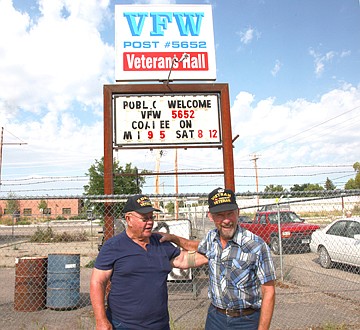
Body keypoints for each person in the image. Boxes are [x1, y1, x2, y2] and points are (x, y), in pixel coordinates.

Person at [159, 187, 277, 330]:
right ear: (211, 216)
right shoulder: (211, 239)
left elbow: (268, 291)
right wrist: (172, 238)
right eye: (220, 215)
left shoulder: (256, 246)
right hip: (216, 318)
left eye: (230, 213)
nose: (226, 220)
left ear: (238, 212)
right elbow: (192, 247)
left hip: (246, 321)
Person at [90, 194, 207, 330]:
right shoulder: (113, 246)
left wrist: (215, 255)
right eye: (144, 219)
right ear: (129, 219)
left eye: (151, 217)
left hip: (159, 324)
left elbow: (183, 259)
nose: (150, 222)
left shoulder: (160, 242)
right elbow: (97, 282)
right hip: (123, 324)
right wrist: (101, 320)